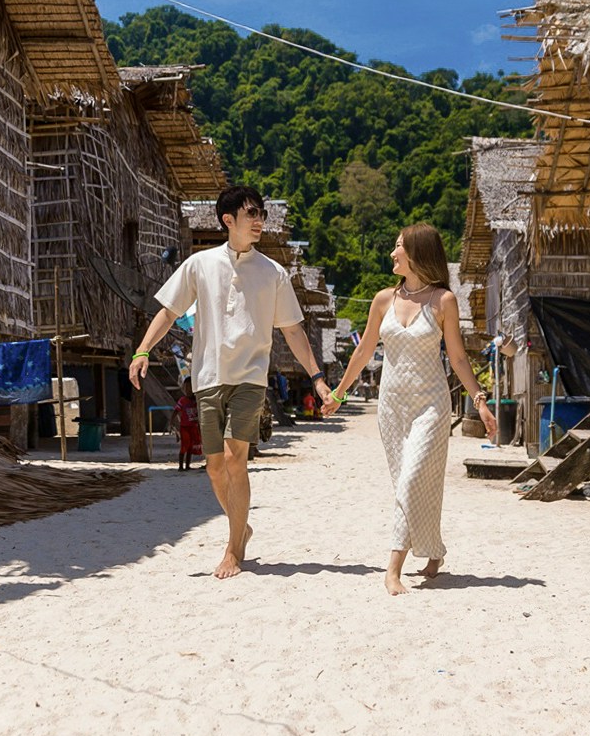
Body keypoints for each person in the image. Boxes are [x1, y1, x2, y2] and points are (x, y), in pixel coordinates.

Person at [129, 186, 332, 579]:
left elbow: (293, 331)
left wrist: (318, 378)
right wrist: (141, 351)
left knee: (236, 458)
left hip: (250, 378)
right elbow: (169, 312)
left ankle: (233, 548)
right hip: (207, 376)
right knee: (214, 467)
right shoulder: (199, 265)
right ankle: (242, 525)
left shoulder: (273, 273)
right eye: (252, 213)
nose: (259, 221)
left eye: (262, 215)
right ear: (228, 220)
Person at [325, 223, 497, 595]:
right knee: (417, 483)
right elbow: (364, 350)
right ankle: (434, 550)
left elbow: (457, 358)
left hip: (431, 406)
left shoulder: (443, 301)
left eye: (398, 247)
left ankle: (392, 569)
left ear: (417, 253)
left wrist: (481, 401)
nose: (392, 253)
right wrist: (338, 394)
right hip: (391, 408)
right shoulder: (383, 299)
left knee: (411, 479)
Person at [173, 379, 201, 472]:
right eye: (186, 388)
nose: (188, 390)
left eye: (190, 388)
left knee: (190, 446)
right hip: (184, 427)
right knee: (184, 445)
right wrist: (171, 421)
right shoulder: (182, 400)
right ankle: (181, 466)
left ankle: (187, 466)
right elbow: (176, 411)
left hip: (194, 426)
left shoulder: (197, 400)